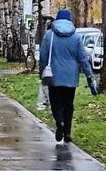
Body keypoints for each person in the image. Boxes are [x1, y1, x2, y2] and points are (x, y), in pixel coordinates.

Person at [37, 8, 97, 143]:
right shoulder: (76, 37)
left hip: (54, 76)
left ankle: (60, 123)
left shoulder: (49, 35)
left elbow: (43, 57)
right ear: (69, 20)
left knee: (55, 103)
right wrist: (89, 75)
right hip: (71, 77)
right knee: (69, 104)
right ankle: (68, 133)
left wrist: (41, 73)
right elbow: (83, 58)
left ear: (57, 20)